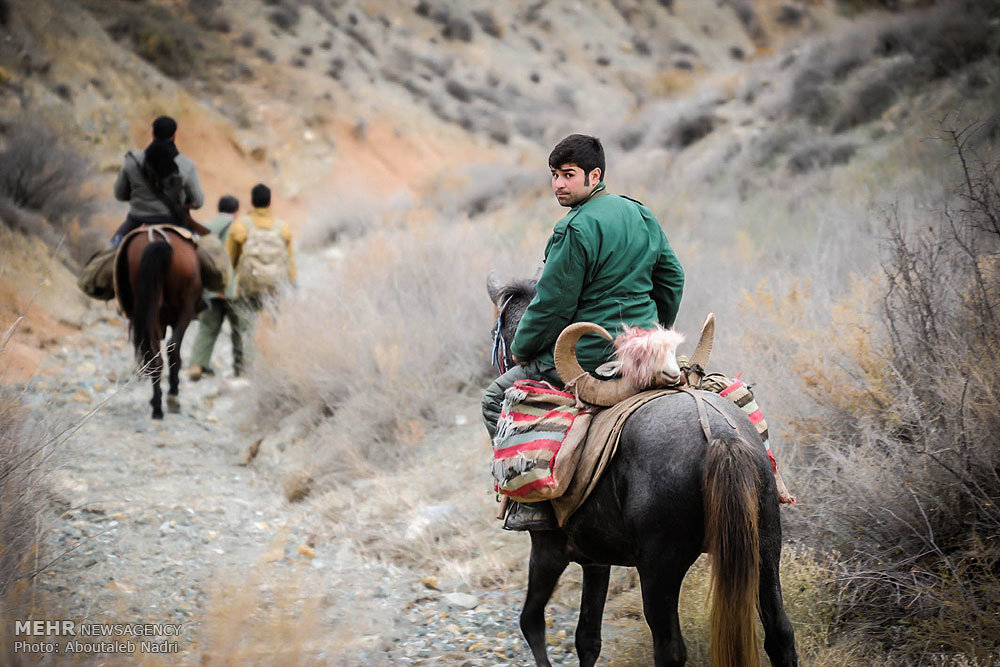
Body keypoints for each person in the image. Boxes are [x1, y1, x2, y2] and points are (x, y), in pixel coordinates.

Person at [482, 134, 685, 530]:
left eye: (569, 175)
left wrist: (523, 349)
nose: (558, 184)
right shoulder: (641, 214)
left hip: (590, 356)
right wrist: (654, 332)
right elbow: (672, 278)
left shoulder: (572, 229)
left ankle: (531, 502)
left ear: (595, 175)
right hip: (645, 353)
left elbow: (552, 305)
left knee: (494, 397)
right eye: (554, 175)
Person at [225, 183, 297, 369]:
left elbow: (229, 259)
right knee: (273, 324)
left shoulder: (240, 225)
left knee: (247, 327)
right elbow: (290, 260)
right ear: (270, 202)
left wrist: (227, 284)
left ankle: (247, 368)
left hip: (249, 284)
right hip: (274, 284)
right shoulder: (283, 227)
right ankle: (273, 366)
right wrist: (293, 284)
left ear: (251, 202)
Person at [110, 115, 205, 247]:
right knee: (206, 255)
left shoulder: (132, 161)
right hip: (175, 222)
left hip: (137, 220)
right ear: (174, 136)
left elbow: (120, 195)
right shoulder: (186, 165)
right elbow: (198, 202)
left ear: (153, 134)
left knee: (108, 255)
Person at [187, 195, 243, 381]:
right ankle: (242, 369)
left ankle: (197, 364)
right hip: (233, 289)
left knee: (207, 327)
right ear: (235, 212)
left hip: (210, 288)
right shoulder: (239, 228)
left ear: (219, 209)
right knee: (240, 329)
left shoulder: (204, 228)